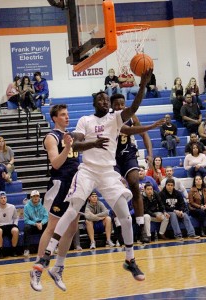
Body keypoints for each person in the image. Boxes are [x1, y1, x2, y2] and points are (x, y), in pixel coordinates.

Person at [33, 69, 153, 285]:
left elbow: (134, 108)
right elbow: (75, 145)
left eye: (107, 98)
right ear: (95, 103)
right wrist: (93, 143)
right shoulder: (85, 120)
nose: (105, 101)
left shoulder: (116, 118)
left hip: (108, 172)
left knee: (125, 216)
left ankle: (130, 259)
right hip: (87, 170)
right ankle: (48, 254)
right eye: (101, 99)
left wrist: (143, 84)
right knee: (71, 211)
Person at [30, 104, 107, 292]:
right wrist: (68, 147)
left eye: (67, 114)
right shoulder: (51, 137)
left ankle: (58, 268)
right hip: (60, 184)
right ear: (54, 118)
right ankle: (37, 269)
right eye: (63, 115)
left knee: (72, 228)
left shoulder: (73, 135)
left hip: (77, 183)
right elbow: (55, 163)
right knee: (53, 227)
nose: (67, 117)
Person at [111, 94, 163, 243]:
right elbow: (127, 130)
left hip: (128, 154)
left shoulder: (132, 116)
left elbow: (144, 134)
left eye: (122, 104)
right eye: (117, 105)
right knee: (116, 190)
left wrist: (150, 154)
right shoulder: (110, 118)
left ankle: (141, 228)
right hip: (112, 156)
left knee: (134, 183)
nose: (120, 107)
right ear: (112, 106)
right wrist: (151, 125)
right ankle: (119, 227)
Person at [0, 191, 19, 258]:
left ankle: (14, 250)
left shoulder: (12, 207)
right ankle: (0, 251)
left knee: (16, 230)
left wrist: (15, 224)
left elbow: (16, 218)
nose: (3, 199)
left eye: (4, 197)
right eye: (1, 198)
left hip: (10, 226)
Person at [23, 190, 49, 257]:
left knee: (49, 225)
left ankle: (51, 247)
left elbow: (46, 217)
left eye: (37, 196)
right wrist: (35, 224)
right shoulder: (26, 206)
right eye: (34, 196)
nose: (36, 197)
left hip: (41, 223)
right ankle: (26, 249)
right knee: (26, 228)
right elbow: (26, 220)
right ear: (31, 197)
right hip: (32, 224)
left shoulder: (43, 205)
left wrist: (42, 223)